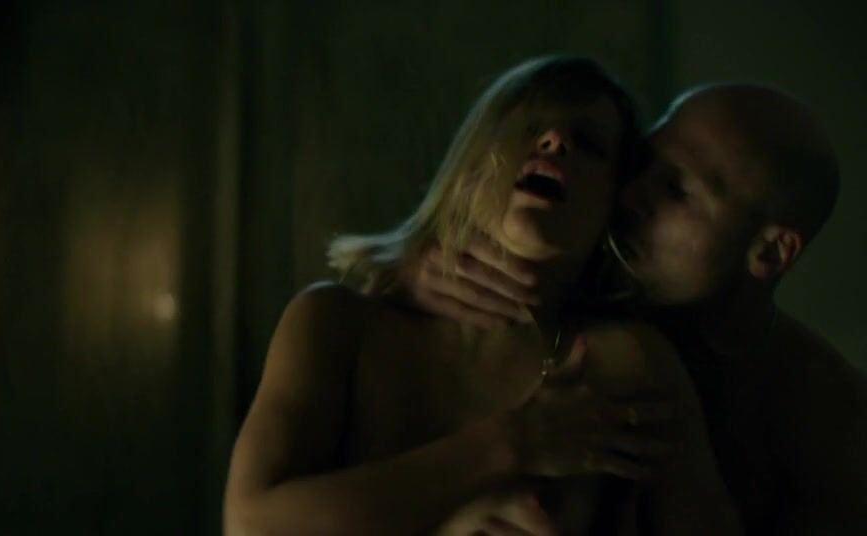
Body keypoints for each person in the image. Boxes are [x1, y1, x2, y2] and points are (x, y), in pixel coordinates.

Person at [223, 56, 739, 535]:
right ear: (469, 165)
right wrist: (513, 443)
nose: (555, 140)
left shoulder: (625, 362)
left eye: (588, 143)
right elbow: (252, 526)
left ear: (613, 201)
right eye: (527, 128)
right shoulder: (338, 324)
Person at [402, 83, 867, 533]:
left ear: (770, 251)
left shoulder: (829, 428)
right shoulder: (565, 279)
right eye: (640, 164)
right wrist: (408, 266)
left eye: (675, 190)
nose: (628, 196)